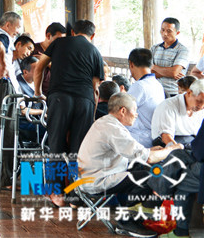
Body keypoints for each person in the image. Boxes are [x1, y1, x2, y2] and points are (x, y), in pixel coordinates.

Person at [77, 92, 192, 238]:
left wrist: (153, 150)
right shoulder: (113, 128)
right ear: (123, 110)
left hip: (97, 174)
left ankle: (140, 215)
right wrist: (171, 149)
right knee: (148, 177)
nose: (137, 114)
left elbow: (138, 152)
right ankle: (126, 222)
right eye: (135, 110)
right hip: (97, 180)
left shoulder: (107, 123)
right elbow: (149, 158)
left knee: (144, 169)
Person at [34, 20, 104, 156]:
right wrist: (92, 114)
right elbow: (95, 89)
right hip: (84, 100)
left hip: (60, 99)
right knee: (79, 149)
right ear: (93, 35)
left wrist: (38, 92)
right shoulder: (96, 53)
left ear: (72, 32)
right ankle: (75, 176)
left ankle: (54, 177)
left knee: (56, 147)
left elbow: (39, 66)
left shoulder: (58, 43)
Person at [0, 31, 35, 189]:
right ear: (18, 45)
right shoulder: (6, 58)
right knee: (6, 134)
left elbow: (17, 86)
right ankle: (4, 180)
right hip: (1, 90)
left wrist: (22, 105)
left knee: (4, 135)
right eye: (28, 48)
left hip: (6, 93)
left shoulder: (15, 65)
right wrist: (3, 66)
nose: (28, 53)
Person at [124, 48, 165, 148]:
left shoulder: (139, 86)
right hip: (153, 136)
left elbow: (122, 112)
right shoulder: (157, 84)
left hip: (140, 138)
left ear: (131, 64)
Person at [150, 78, 204, 147]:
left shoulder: (201, 110)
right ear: (189, 93)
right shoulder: (168, 106)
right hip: (169, 145)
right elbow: (165, 137)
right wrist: (178, 151)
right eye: (199, 101)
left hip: (192, 144)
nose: (201, 106)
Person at [151, 17, 189, 98]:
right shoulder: (154, 48)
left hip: (173, 93)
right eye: (162, 30)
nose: (164, 33)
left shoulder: (183, 50)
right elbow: (148, 72)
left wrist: (154, 67)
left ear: (177, 33)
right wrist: (168, 72)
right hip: (154, 90)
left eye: (169, 31)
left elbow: (174, 72)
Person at [29, 22, 66, 95]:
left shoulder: (62, 52)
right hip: (36, 94)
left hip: (56, 94)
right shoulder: (33, 49)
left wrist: (45, 62)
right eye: (59, 39)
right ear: (48, 36)